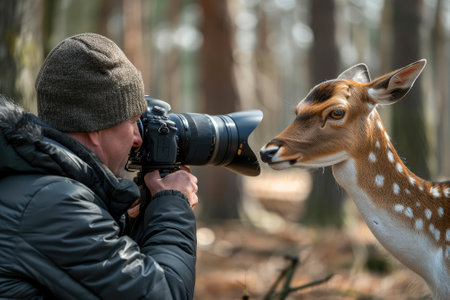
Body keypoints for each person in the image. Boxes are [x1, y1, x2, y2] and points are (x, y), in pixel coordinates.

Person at [0, 33, 198, 299]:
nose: (138, 138)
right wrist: (173, 205)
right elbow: (163, 294)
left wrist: (141, 217)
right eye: (132, 122)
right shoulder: (55, 203)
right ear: (95, 131)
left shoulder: (39, 186)